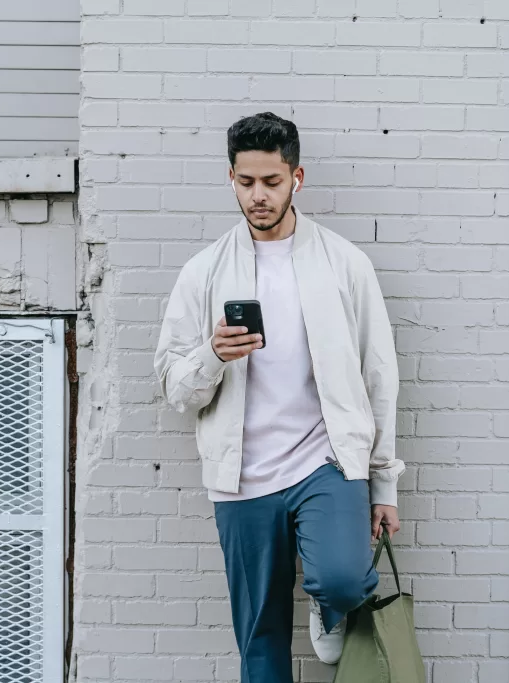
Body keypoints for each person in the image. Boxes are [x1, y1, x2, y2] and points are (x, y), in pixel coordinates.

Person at [153, 112, 404, 682]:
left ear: (298, 177)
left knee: (342, 575)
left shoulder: (344, 264)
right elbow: (173, 387)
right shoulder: (204, 272)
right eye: (246, 182)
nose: (259, 196)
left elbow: (378, 376)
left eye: (272, 181)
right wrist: (213, 354)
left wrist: (383, 481)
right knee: (259, 637)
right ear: (232, 179)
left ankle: (328, 602)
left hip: (326, 462)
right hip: (241, 476)